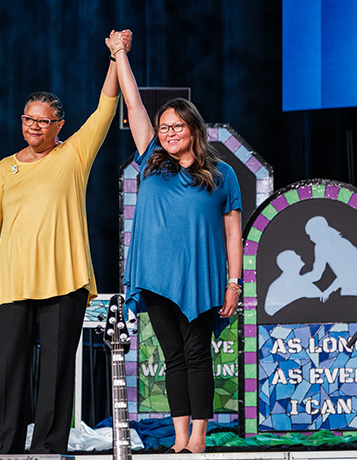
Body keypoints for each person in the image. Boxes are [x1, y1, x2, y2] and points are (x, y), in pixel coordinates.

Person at [0, 33, 123, 455]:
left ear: (59, 125)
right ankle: (3, 448)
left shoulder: (73, 155)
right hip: (14, 283)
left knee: (56, 376)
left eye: (42, 121)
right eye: (27, 119)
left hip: (63, 281)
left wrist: (115, 57)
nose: (33, 127)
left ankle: (47, 449)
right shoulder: (5, 168)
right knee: (9, 373)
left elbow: (106, 108)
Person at [107, 31, 243, 454]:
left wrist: (234, 283)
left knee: (198, 355)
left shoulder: (222, 174)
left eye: (176, 126)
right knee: (173, 358)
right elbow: (132, 102)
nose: (167, 132)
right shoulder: (150, 160)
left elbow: (233, 232)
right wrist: (120, 55)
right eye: (163, 126)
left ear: (193, 129)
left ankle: (199, 438)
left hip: (201, 278)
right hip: (156, 276)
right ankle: (180, 438)